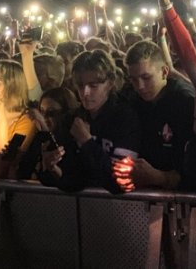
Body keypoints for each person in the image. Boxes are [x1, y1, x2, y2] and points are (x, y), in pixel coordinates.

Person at [39, 50, 140, 194]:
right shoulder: (72, 119)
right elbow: (72, 181)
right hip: (81, 209)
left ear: (110, 83)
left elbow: (120, 182)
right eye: (80, 86)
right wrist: (52, 168)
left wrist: (86, 142)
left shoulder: (125, 118)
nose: (85, 92)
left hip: (121, 209)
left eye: (93, 86)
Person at [123, 40, 195, 190]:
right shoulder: (132, 100)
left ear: (164, 72)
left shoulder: (184, 102)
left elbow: (195, 166)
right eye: (134, 80)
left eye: (146, 78)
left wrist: (160, 177)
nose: (140, 86)